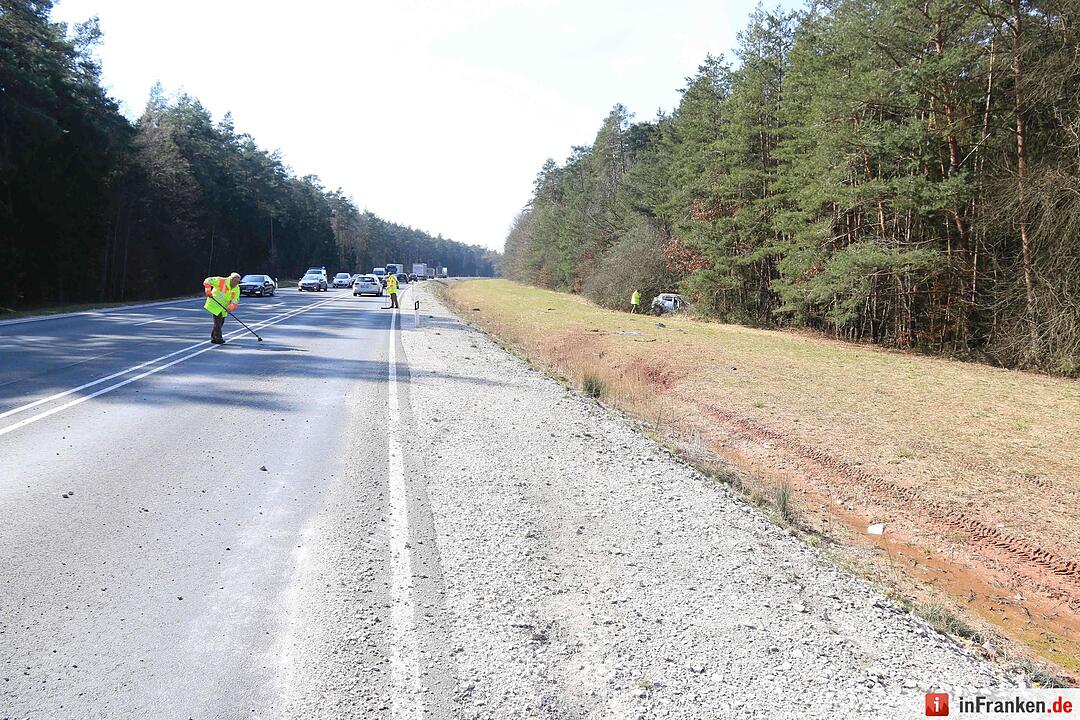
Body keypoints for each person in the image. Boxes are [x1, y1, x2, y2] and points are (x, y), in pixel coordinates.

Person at [203, 272, 241, 344]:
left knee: (220, 322)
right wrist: (208, 291)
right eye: (235, 281)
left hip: (224, 307)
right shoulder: (221, 280)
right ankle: (218, 338)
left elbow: (235, 299)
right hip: (215, 304)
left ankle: (213, 338)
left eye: (238, 281)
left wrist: (230, 308)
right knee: (217, 322)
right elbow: (207, 280)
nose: (237, 283)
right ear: (231, 279)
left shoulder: (237, 288)